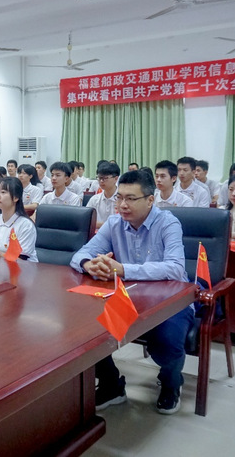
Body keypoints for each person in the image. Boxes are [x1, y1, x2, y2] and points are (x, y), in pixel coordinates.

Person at [70, 169, 192, 415]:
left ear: (150, 200)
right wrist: (88, 264)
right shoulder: (114, 223)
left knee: (167, 341)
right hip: (128, 299)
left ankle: (171, 382)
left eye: (131, 198)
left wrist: (124, 269)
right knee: (85, 331)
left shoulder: (168, 223)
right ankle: (111, 385)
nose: (122, 205)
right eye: (120, 198)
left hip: (169, 301)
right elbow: (80, 254)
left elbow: (175, 267)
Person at [86, 161, 120, 228]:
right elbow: (86, 220)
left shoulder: (123, 200)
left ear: (116, 179)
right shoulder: (94, 199)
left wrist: (98, 224)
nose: (101, 181)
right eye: (99, 178)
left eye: (105, 178)